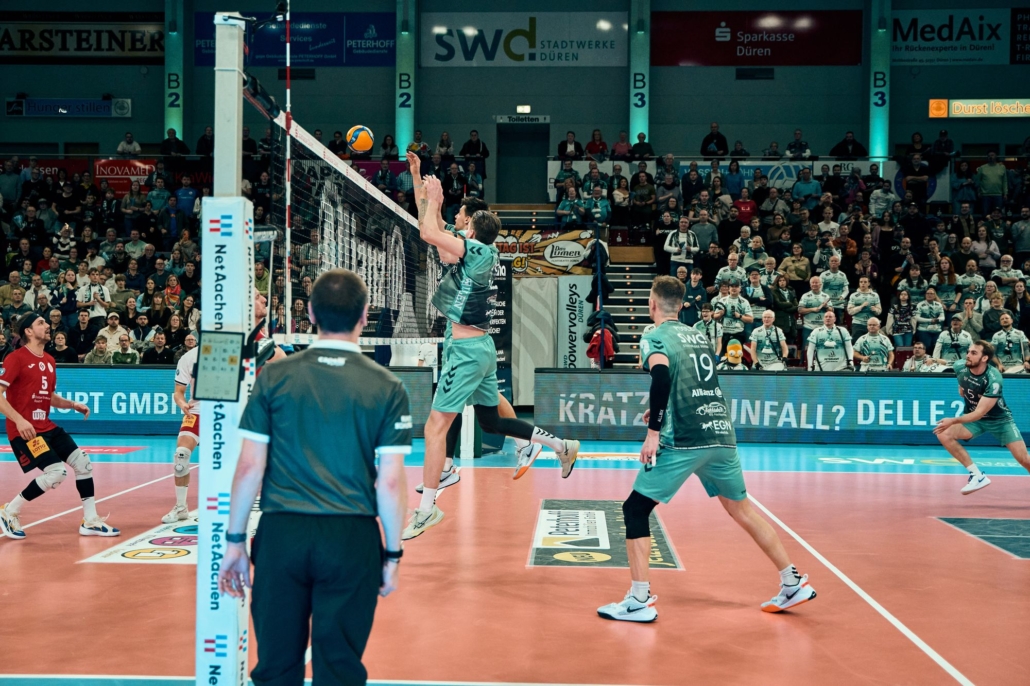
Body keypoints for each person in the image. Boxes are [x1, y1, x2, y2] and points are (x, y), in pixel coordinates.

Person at [218, 269, 409, 685]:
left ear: (309, 313)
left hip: (281, 535)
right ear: (365, 316)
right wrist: (393, 555)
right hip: (350, 538)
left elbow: (249, 466)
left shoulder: (275, 376)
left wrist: (234, 542)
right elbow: (391, 483)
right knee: (339, 668)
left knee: (275, 667)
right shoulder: (388, 386)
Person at [597, 276, 815, 622]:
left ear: (652, 304)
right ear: (681, 304)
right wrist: (661, 410)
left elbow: (662, 377)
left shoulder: (654, 335)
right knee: (742, 511)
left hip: (686, 439)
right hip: (721, 434)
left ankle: (638, 600)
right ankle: (792, 581)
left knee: (635, 509)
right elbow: (693, 381)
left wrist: (653, 433)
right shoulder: (698, 335)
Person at [404, 165, 580, 539]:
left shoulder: (480, 251)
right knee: (490, 421)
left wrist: (434, 200)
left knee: (435, 426)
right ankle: (560, 445)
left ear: (471, 229)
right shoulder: (470, 249)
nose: (458, 223)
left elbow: (429, 232)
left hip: (467, 351)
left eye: (462, 221)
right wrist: (421, 185)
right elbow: (431, 230)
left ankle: (427, 508)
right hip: (475, 347)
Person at [0, 313, 119, 539]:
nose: (47, 326)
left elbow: (49, 396)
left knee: (83, 463)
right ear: (28, 331)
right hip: (25, 433)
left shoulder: (49, 360)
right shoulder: (16, 358)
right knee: (56, 473)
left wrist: (72, 404)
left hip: (47, 427)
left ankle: (90, 521)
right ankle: (9, 510)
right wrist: (19, 420)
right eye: (41, 323)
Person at [933, 340, 1030, 495]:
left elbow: (979, 413)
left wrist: (953, 420)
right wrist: (963, 387)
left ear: (984, 358)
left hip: (1000, 421)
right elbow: (962, 387)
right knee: (943, 432)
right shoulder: (960, 366)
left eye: (973, 353)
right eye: (968, 351)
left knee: (1024, 459)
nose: (968, 355)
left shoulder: (994, 379)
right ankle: (977, 475)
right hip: (975, 421)